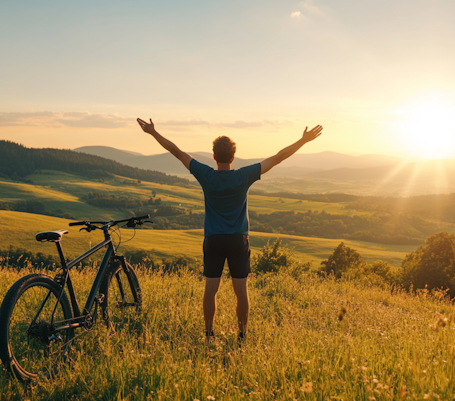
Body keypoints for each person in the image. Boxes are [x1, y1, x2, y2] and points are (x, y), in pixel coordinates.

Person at [137, 118, 323, 341]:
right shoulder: (243, 175)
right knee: (241, 291)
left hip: (213, 239)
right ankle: (242, 336)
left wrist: (153, 133)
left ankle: (208, 334)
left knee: (210, 289)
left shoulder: (206, 175)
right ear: (233, 157)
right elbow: (277, 157)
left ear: (214, 156)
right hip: (238, 240)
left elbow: (176, 151)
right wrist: (302, 141)